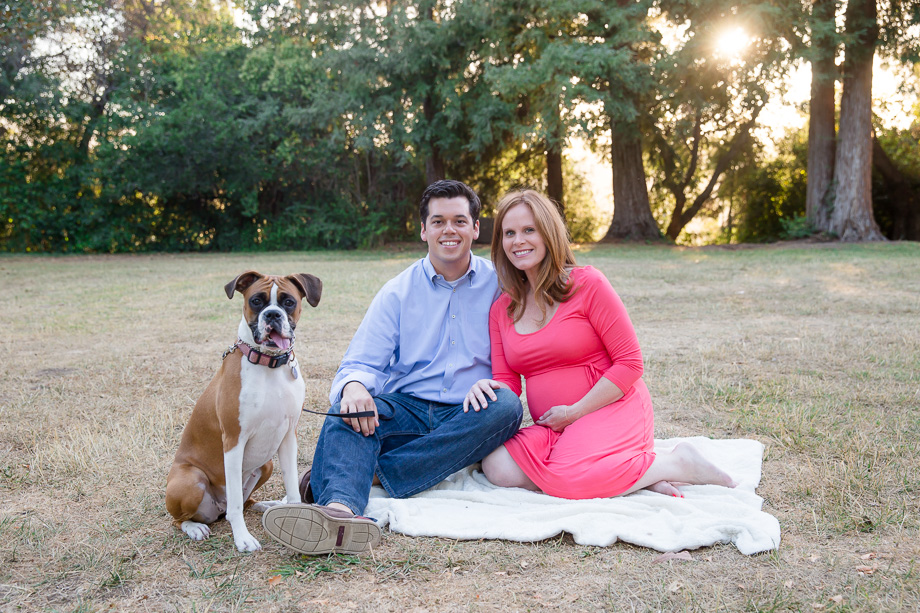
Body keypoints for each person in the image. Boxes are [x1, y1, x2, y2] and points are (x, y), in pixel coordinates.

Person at [262, 180, 524, 555]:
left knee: (508, 407)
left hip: (471, 410)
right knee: (347, 411)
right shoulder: (397, 291)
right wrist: (354, 386)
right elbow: (361, 362)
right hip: (407, 407)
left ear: (476, 228)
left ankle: (361, 473)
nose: (449, 230)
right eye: (438, 222)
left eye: (459, 221)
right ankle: (338, 512)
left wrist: (496, 384)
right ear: (423, 230)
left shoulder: (501, 283)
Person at [463, 189, 736, 499]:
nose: (518, 240)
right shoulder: (502, 309)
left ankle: (677, 462)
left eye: (529, 230)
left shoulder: (587, 284)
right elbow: (508, 384)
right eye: (509, 233)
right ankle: (638, 474)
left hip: (611, 407)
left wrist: (575, 411)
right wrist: (485, 387)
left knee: (567, 477)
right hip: (555, 425)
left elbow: (631, 363)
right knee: (498, 466)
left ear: (548, 233)